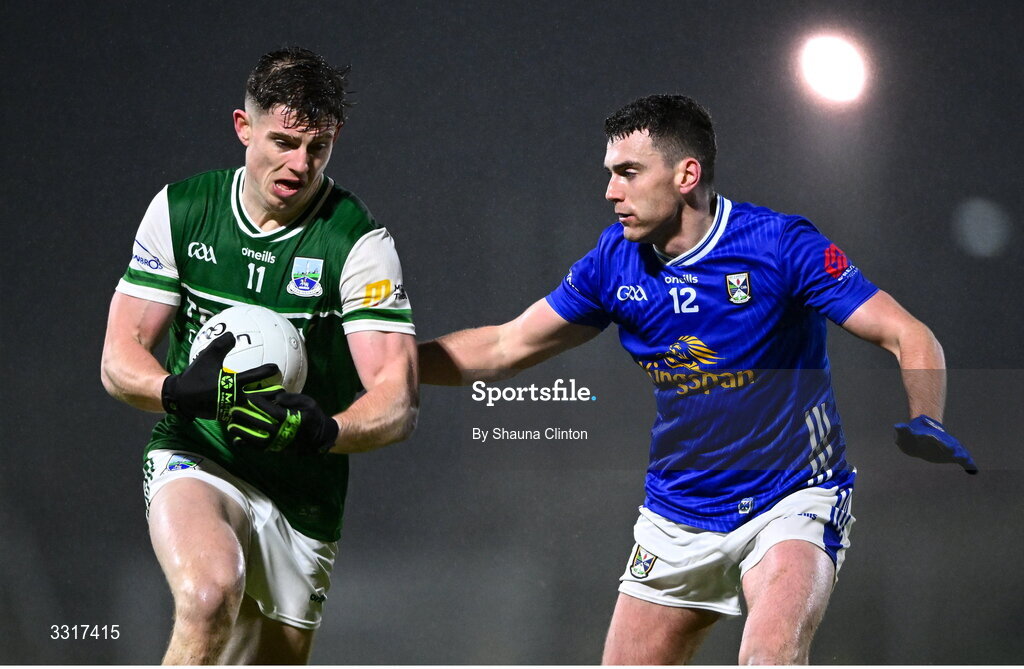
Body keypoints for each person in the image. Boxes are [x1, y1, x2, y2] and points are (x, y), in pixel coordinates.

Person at [418, 94, 976, 665]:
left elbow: (909, 334)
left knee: (769, 655)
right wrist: (393, 371)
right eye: (610, 175)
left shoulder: (779, 245)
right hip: (679, 512)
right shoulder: (613, 262)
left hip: (793, 496)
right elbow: (506, 345)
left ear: (687, 174)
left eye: (628, 173)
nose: (611, 191)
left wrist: (927, 415)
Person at [100, 47, 418, 664]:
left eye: (317, 148)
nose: (299, 164)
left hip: (303, 491)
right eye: (283, 141)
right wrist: (174, 392)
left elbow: (397, 401)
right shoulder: (183, 211)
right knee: (208, 591)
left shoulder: (358, 242)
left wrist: (322, 429)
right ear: (244, 128)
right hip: (199, 454)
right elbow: (119, 357)